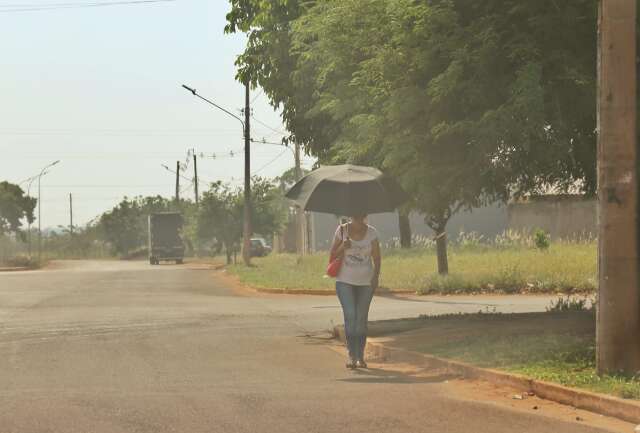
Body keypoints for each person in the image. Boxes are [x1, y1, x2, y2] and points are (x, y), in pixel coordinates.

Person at [330, 214, 381, 369]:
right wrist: (342, 247)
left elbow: (377, 258)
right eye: (355, 216)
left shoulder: (372, 233)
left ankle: (360, 356)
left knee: (361, 319)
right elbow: (332, 255)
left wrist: (375, 277)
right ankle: (351, 355)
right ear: (351, 216)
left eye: (361, 216)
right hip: (344, 281)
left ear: (364, 216)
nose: (358, 220)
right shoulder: (342, 230)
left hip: (366, 282)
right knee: (350, 316)